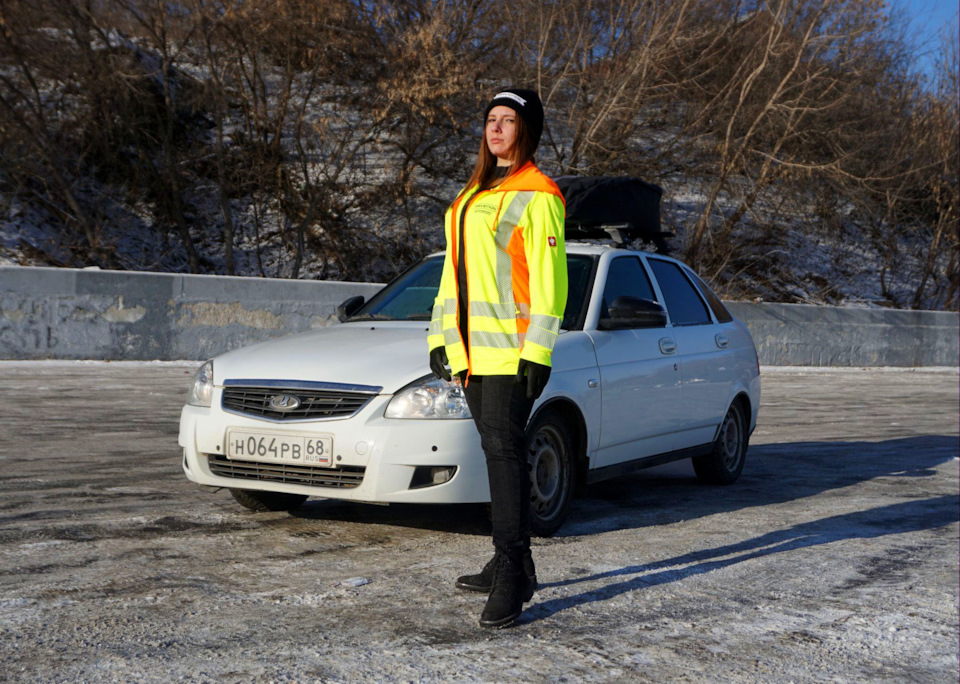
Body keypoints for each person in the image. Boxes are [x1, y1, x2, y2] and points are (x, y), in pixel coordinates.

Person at [427, 88, 567, 628]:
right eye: (490, 119)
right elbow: (450, 278)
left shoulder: (539, 194)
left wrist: (540, 349)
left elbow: (551, 283)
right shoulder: (469, 197)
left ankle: (512, 572)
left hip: (513, 352)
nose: (496, 128)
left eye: (508, 120)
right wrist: (442, 339)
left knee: (506, 453)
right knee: (494, 451)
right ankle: (515, 561)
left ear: (525, 131)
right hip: (473, 353)